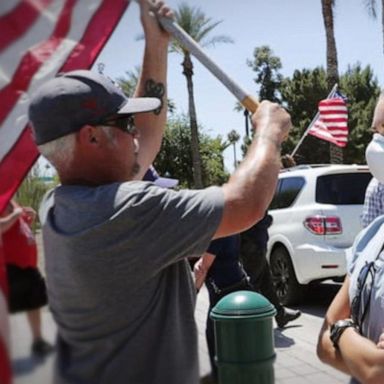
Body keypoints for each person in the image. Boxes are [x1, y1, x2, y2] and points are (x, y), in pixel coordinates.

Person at [28, 1, 291, 382]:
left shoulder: (62, 203)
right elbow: (246, 204)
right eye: (122, 122)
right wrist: (268, 132)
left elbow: (145, 139)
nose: (134, 131)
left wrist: (155, 42)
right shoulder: (127, 209)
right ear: (91, 137)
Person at [316, 94, 384, 383]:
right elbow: (322, 344)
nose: (377, 145)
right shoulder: (372, 236)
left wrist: (342, 330)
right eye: (377, 131)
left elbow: (376, 370)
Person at [194, 235, 252, 382]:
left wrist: (193, 293)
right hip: (236, 287)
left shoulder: (219, 231)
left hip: (224, 295)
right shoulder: (232, 227)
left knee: (215, 341)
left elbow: (203, 267)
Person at [0, 200, 53, 357]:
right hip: (8, 265)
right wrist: (16, 214)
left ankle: (38, 340)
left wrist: (32, 217)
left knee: (34, 302)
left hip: (28, 264)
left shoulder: (11, 201)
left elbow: (22, 227)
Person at [240, 213, 301, 328]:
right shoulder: (254, 196)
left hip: (254, 244)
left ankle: (280, 314)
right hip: (253, 244)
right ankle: (248, 323)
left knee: (266, 284)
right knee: (252, 286)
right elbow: (257, 216)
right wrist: (268, 219)